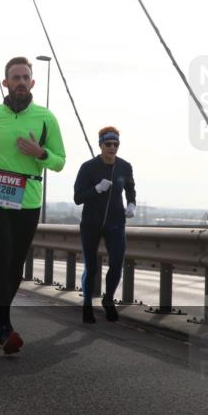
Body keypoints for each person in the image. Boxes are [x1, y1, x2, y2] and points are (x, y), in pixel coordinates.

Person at [0, 56, 66, 354]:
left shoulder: (46, 117)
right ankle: (4, 325)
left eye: (26, 77)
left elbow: (60, 161)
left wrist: (40, 153)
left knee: (15, 262)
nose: (21, 82)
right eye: (16, 77)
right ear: (6, 82)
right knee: (2, 256)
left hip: (29, 197)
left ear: (32, 82)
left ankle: (0, 312)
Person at [74, 126, 136, 323]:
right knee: (91, 267)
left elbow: (130, 189)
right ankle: (87, 304)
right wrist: (96, 189)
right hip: (91, 224)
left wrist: (132, 204)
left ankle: (108, 299)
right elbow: (77, 198)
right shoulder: (88, 167)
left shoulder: (125, 167)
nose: (112, 147)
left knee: (117, 263)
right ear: (100, 145)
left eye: (116, 144)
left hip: (115, 223)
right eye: (108, 144)